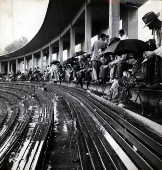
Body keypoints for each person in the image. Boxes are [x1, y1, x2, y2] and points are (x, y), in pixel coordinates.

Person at [142, 11, 162, 84]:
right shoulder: (155, 30)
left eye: (149, 25)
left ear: (155, 22)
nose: (148, 27)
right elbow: (157, 43)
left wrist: (152, 53)